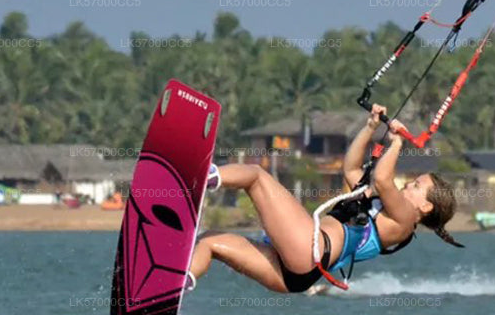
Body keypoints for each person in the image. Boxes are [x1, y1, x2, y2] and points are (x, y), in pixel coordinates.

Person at [188, 105, 459, 293]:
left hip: (308, 251)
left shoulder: (404, 219)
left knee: (256, 176)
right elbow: (351, 169)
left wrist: (397, 143)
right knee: (210, 241)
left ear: (425, 206)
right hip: (294, 275)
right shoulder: (379, 205)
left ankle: (194, 180)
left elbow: (383, 179)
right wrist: (369, 128)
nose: (407, 186)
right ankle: (174, 288)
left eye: (415, 185)